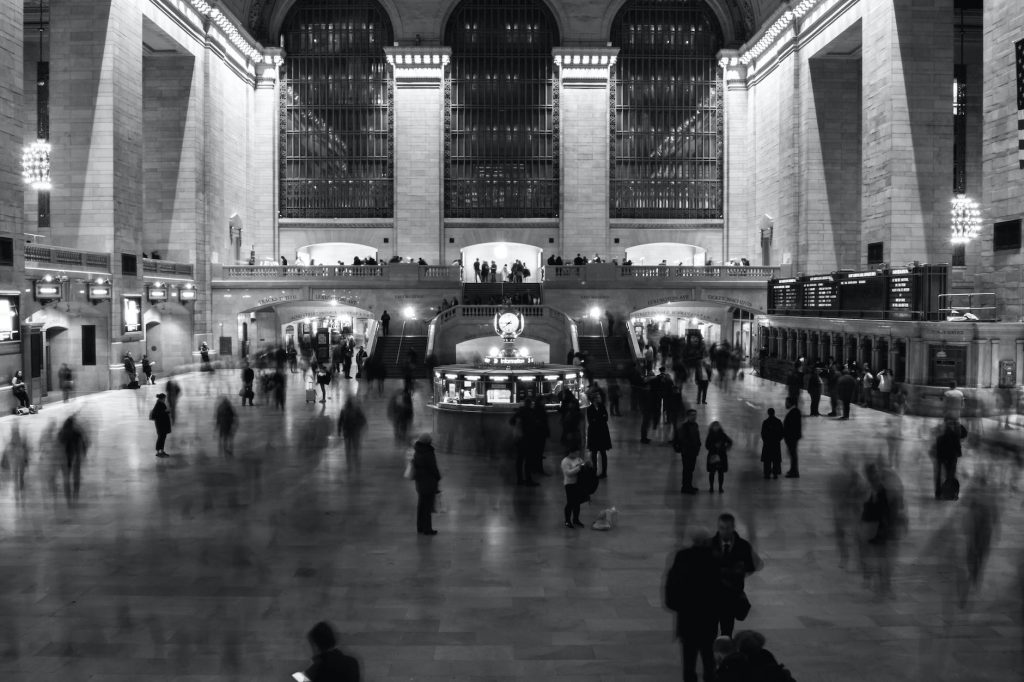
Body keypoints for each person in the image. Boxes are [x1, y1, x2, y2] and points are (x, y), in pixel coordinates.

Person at [664, 528, 721, 682]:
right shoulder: (714, 558)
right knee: (709, 658)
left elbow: (672, 584)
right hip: (708, 617)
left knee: (689, 660)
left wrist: (675, 605)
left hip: (687, 617)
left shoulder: (683, 556)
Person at [712, 513, 759, 637]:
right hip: (712, 596)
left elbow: (751, 567)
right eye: (721, 528)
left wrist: (738, 573)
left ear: (733, 527)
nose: (724, 531)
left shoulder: (743, 546)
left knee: (727, 632)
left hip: (730, 596)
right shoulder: (709, 545)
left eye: (727, 528)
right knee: (709, 632)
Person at [411, 433, 441, 535]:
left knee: (421, 506)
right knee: (427, 507)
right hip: (429, 483)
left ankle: (420, 527)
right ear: (428, 442)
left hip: (420, 483)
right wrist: (438, 477)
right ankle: (427, 529)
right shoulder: (428, 453)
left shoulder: (417, 451)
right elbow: (433, 468)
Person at [933, 417, 968, 500]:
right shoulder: (953, 429)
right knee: (948, 475)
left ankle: (944, 493)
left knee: (945, 475)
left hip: (944, 455)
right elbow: (962, 436)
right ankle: (948, 493)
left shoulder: (949, 428)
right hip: (949, 455)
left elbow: (963, 435)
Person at [57, 415, 88, 505]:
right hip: (75, 458)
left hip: (65, 460)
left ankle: (68, 500)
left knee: (66, 480)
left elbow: (58, 447)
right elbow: (84, 445)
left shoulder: (61, 433)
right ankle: (75, 496)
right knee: (76, 478)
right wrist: (83, 455)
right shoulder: (77, 433)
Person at [510, 397, 540, 486]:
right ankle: (528, 479)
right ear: (530, 404)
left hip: (519, 440)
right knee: (528, 460)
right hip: (528, 440)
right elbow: (533, 426)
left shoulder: (519, 411)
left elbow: (511, 421)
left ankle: (519, 479)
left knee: (519, 460)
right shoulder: (531, 412)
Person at [674, 409, 701, 494]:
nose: (694, 417)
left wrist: (698, 446)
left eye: (695, 415)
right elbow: (683, 440)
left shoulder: (695, 425)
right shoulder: (684, 427)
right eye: (692, 415)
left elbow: (697, 437)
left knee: (691, 470)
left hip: (693, 452)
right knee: (687, 470)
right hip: (687, 452)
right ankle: (685, 487)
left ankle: (689, 486)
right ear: (688, 416)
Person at [337, 397, 367, 470]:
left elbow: (340, 422)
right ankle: (356, 461)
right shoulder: (356, 410)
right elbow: (363, 420)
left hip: (347, 432)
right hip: (355, 432)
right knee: (355, 447)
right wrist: (360, 427)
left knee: (348, 448)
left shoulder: (344, 411)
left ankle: (349, 463)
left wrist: (339, 431)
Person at [586, 393, 612, 479]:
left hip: (602, 432)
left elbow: (606, 418)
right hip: (594, 433)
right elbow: (591, 420)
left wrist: (597, 419)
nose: (600, 398)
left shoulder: (602, 407)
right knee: (594, 452)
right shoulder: (589, 409)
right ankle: (594, 470)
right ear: (594, 399)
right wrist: (600, 418)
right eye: (598, 397)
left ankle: (604, 472)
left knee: (603, 452)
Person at [560, 448, 586, 529]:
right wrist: (579, 468)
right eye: (575, 451)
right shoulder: (565, 461)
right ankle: (567, 520)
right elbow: (568, 473)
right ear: (570, 452)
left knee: (577, 503)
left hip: (578, 484)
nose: (577, 452)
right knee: (570, 503)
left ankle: (576, 519)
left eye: (577, 451)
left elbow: (583, 467)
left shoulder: (579, 459)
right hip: (569, 484)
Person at [705, 421, 733, 493]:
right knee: (712, 472)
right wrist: (714, 447)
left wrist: (725, 448)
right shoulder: (710, 435)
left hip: (721, 456)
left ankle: (720, 487)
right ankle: (711, 487)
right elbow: (707, 445)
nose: (716, 427)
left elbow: (730, 442)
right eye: (715, 426)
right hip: (713, 455)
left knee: (720, 473)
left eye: (717, 426)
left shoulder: (723, 435)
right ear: (712, 427)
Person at [760, 408, 784, 479]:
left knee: (767, 460)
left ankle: (767, 473)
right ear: (774, 413)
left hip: (767, 444)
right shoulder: (778, 421)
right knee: (776, 459)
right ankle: (775, 473)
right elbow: (782, 433)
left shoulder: (765, 422)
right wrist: (778, 440)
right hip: (776, 443)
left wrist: (765, 440)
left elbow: (763, 433)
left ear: (768, 413)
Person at [782, 397, 802, 478]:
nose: (785, 404)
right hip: (792, 437)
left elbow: (794, 426)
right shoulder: (794, 411)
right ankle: (792, 470)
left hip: (792, 437)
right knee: (792, 454)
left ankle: (794, 472)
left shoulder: (795, 412)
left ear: (790, 403)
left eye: (786, 402)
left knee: (793, 455)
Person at [149, 393, 172, 458]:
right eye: (164, 398)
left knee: (162, 438)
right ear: (161, 399)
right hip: (161, 425)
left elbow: (162, 412)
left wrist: (167, 411)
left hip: (162, 425)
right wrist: (166, 411)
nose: (165, 399)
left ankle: (161, 451)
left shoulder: (161, 404)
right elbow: (157, 414)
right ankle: (159, 452)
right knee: (161, 438)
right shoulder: (158, 405)